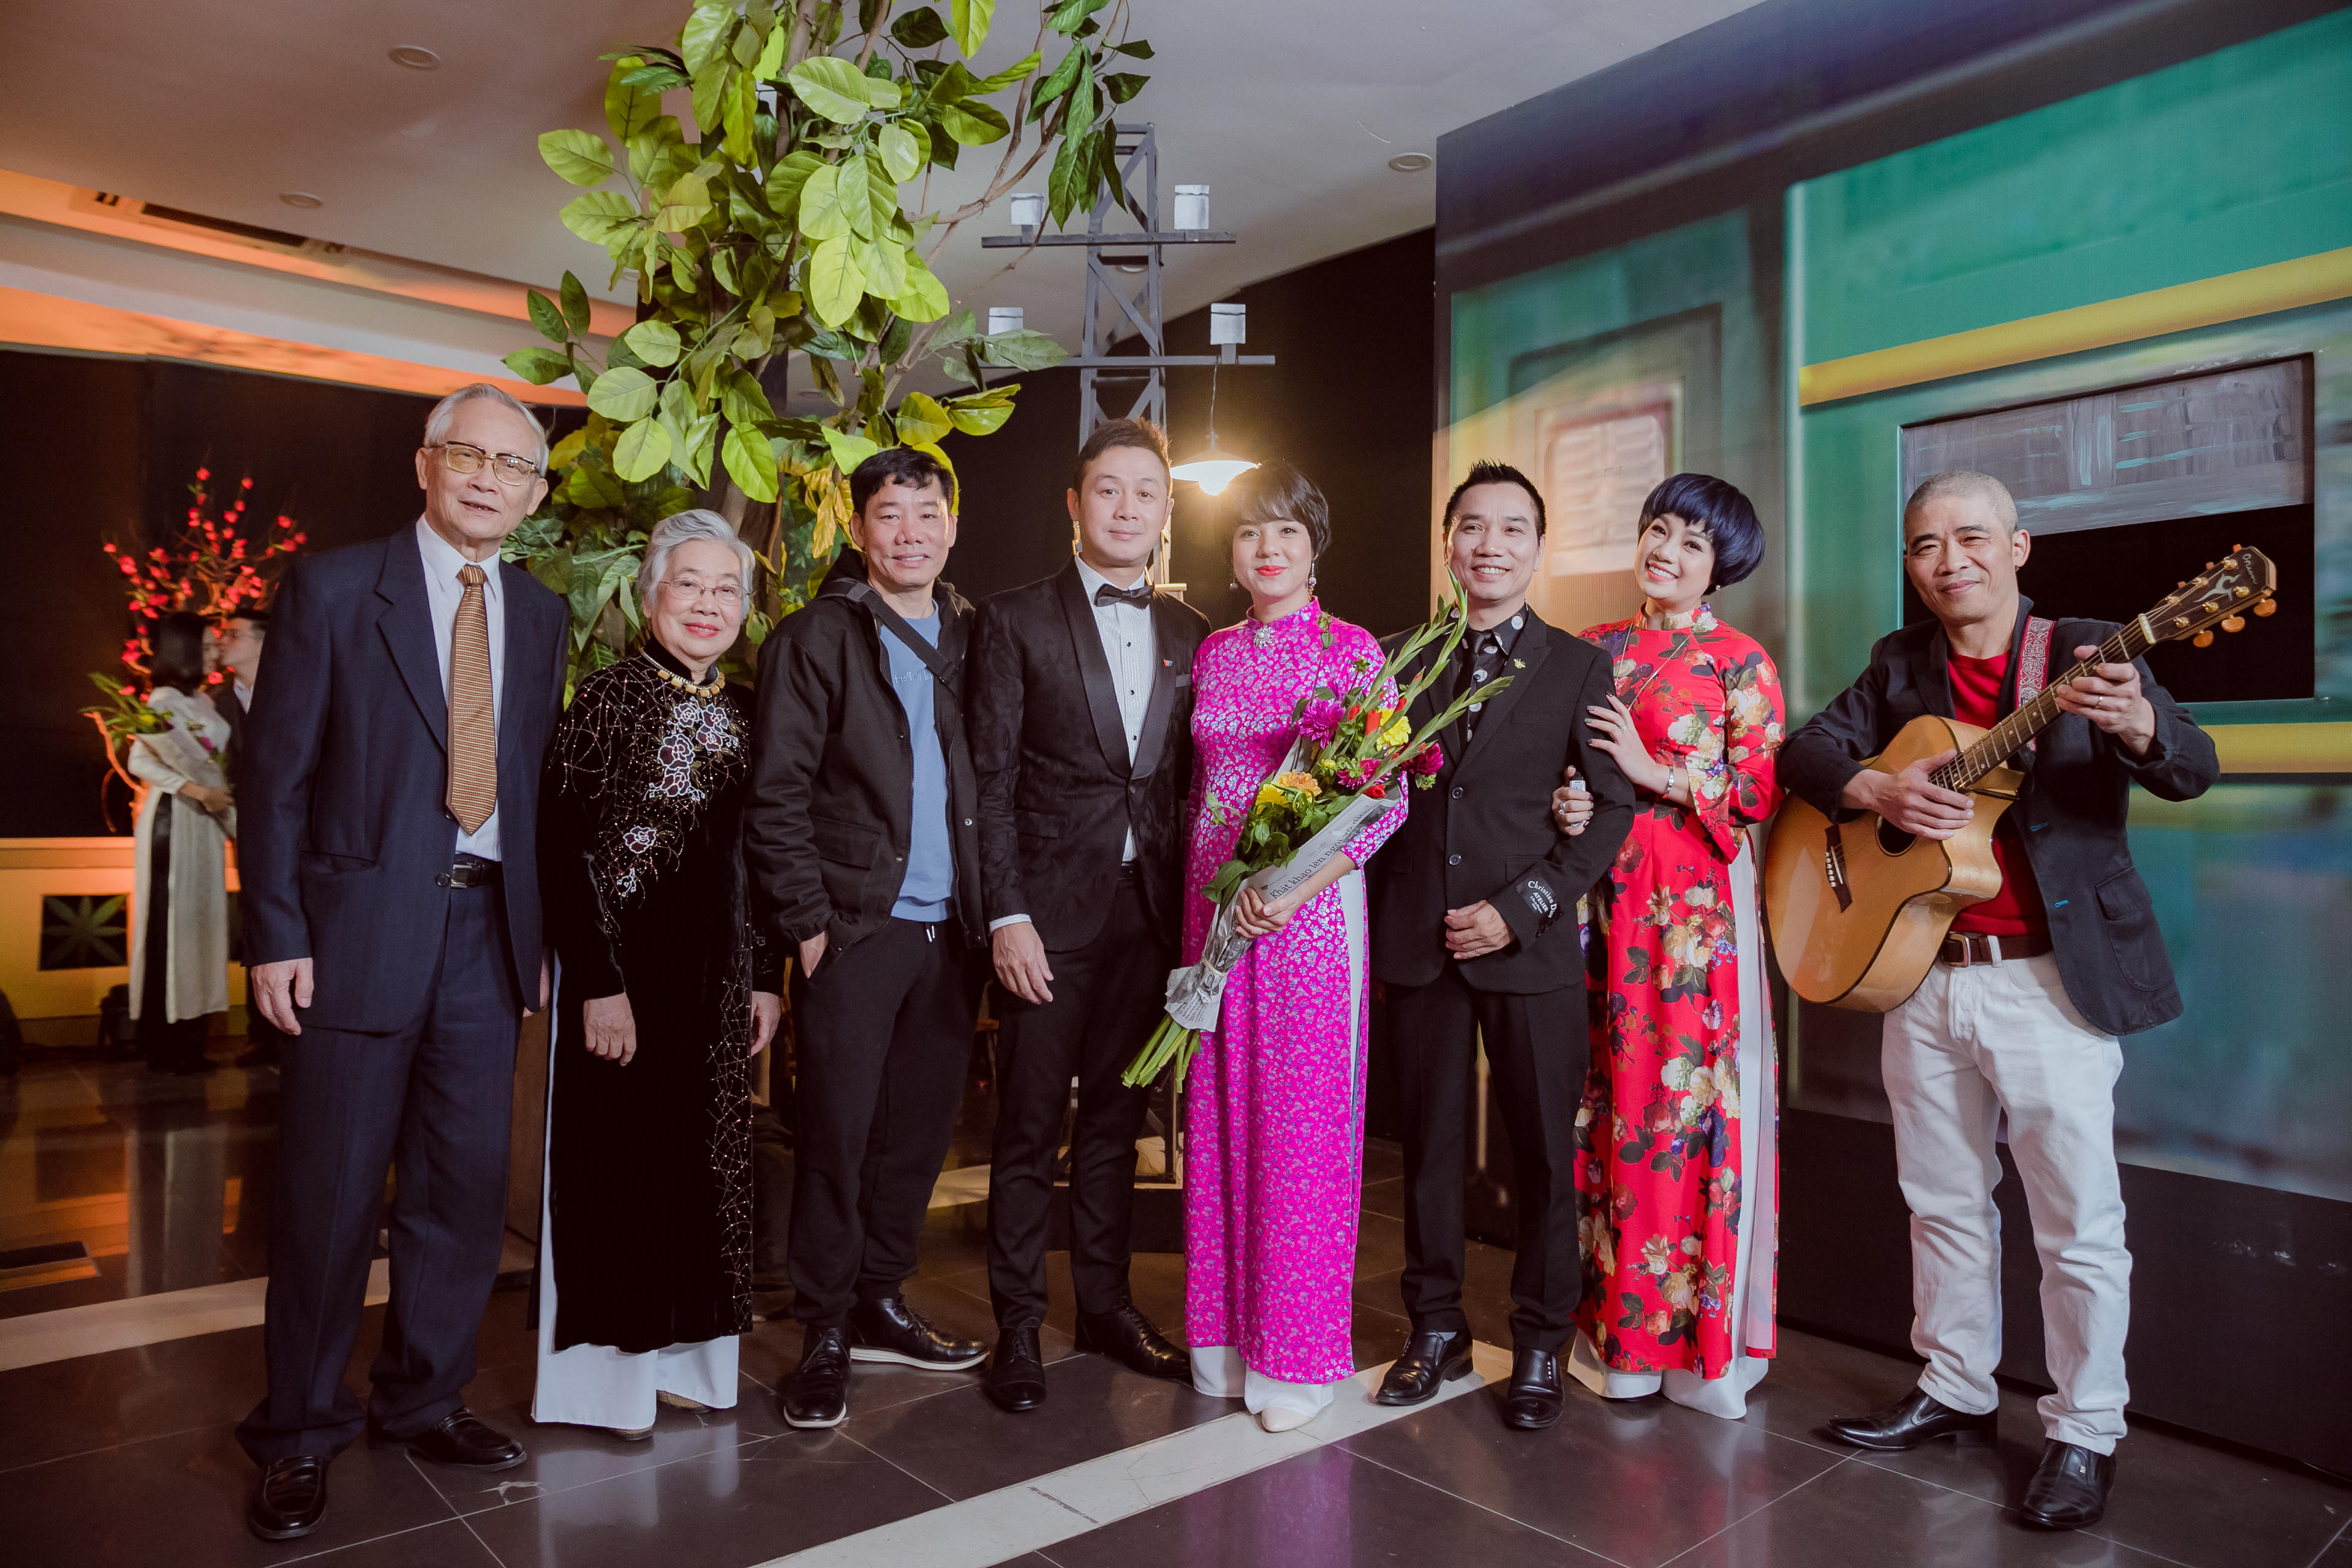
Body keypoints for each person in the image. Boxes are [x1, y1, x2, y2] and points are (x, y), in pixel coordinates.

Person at [1781, 469, 2217, 1531]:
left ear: (2018, 549)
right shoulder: (1900, 663)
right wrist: (1876, 787)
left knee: (2077, 1222)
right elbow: (1804, 752)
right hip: (1922, 971)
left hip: (2049, 987)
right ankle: (1955, 1387)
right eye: (1927, 546)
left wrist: (2137, 725)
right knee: (1941, 1200)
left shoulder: (2091, 650)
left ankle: (2086, 1428)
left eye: (1972, 539)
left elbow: (2193, 767)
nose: (1950, 562)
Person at [233, 383, 570, 1541]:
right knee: (329, 1198)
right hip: (354, 937)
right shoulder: (335, 589)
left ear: (535, 496)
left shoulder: (542, 612)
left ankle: (424, 1400)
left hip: (488, 939)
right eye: (468, 454)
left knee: (460, 1192)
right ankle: (299, 1428)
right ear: (424, 464)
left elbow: (531, 788)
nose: (488, 478)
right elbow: (273, 778)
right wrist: (277, 932)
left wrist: (539, 936)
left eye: (513, 466)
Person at [1365, 462, 1634, 1430]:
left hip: (1528, 946)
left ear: (1537, 548)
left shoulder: (1577, 666)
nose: (1490, 545)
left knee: (1543, 1157)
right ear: (1448, 544)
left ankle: (1540, 1340)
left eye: (1512, 528)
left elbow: (1610, 809)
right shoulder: (1395, 661)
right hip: (1420, 941)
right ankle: (1433, 1326)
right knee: (1429, 1150)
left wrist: (1522, 908)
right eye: (1472, 526)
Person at [967, 419, 1209, 1411]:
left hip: (1148, 919)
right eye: (1108, 490)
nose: (1126, 508)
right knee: (1029, 1130)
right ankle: (1018, 1328)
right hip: (1044, 922)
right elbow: (988, 782)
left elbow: (1192, 787)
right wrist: (1005, 914)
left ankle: (1106, 1307)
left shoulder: (1193, 632)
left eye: (1145, 493)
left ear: (1166, 511)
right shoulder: (1013, 620)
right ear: (1075, 505)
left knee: (1116, 1124)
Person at [744, 446, 989, 1430]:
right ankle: (824, 1332)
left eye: (927, 514)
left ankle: (881, 1299)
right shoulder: (816, 638)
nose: (910, 533)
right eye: (889, 515)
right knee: (837, 1136)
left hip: (952, 934)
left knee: (917, 1135)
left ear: (952, 526)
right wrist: (808, 925)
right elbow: (775, 794)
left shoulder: (974, 635)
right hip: (856, 928)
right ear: (857, 530)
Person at [532, 511, 783, 1438]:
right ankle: (605, 1392)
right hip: (623, 992)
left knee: (699, 1181)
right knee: (618, 1177)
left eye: (727, 589)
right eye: (690, 584)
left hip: (713, 995)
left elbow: (755, 856)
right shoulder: (604, 700)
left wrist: (763, 978)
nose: (708, 604)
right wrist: (598, 983)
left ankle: (689, 1369)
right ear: (650, 595)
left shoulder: (748, 711)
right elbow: (563, 854)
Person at [1551, 473, 1785, 1420]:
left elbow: (1759, 793)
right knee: (1602, 1103)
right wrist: (1568, 799)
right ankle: (1616, 1337)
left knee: (1680, 1112)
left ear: (1721, 566)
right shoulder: (1594, 648)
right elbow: (1562, 765)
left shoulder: (1740, 661)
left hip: (1689, 918)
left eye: (1693, 542)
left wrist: (1658, 773)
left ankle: (1693, 1349)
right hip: (1597, 900)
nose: (1667, 551)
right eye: (1658, 530)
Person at [1181, 462, 1408, 1433]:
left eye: (1285, 532)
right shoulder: (1213, 652)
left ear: (1315, 548)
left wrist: (1292, 891)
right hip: (1213, 911)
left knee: (1300, 1136)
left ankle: (1296, 1359)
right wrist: (1218, 905)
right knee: (1220, 1116)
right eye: (1249, 532)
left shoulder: (1352, 652)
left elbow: (1385, 800)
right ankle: (1223, 1342)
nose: (1266, 549)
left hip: (1307, 922)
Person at [127, 611, 236, 1076]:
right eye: (207, 647)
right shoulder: (161, 700)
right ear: (184, 650)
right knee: (171, 926)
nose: (215, 654)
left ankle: (191, 1038)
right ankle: (164, 1042)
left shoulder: (203, 702)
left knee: (201, 926)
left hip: (205, 820)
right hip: (174, 819)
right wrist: (196, 790)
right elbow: (139, 761)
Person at [213, 608, 284, 1068]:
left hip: (297, 827)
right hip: (242, 828)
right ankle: (261, 1032)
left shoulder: (292, 691)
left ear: (262, 643)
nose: (223, 641)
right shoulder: (212, 704)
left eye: (234, 634)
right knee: (257, 916)